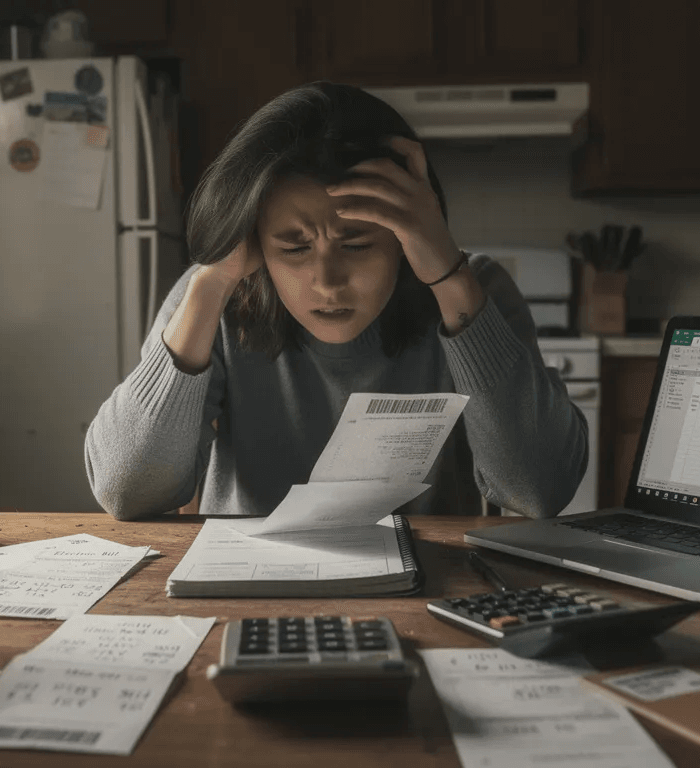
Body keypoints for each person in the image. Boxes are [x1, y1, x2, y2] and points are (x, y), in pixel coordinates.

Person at [85, 82, 587, 521]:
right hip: (246, 586)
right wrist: (212, 281)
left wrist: (448, 275)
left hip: (429, 589)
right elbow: (126, 492)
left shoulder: (477, 291)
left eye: (356, 245)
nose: (327, 282)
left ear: (404, 236)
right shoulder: (216, 292)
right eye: (294, 247)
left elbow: (540, 490)